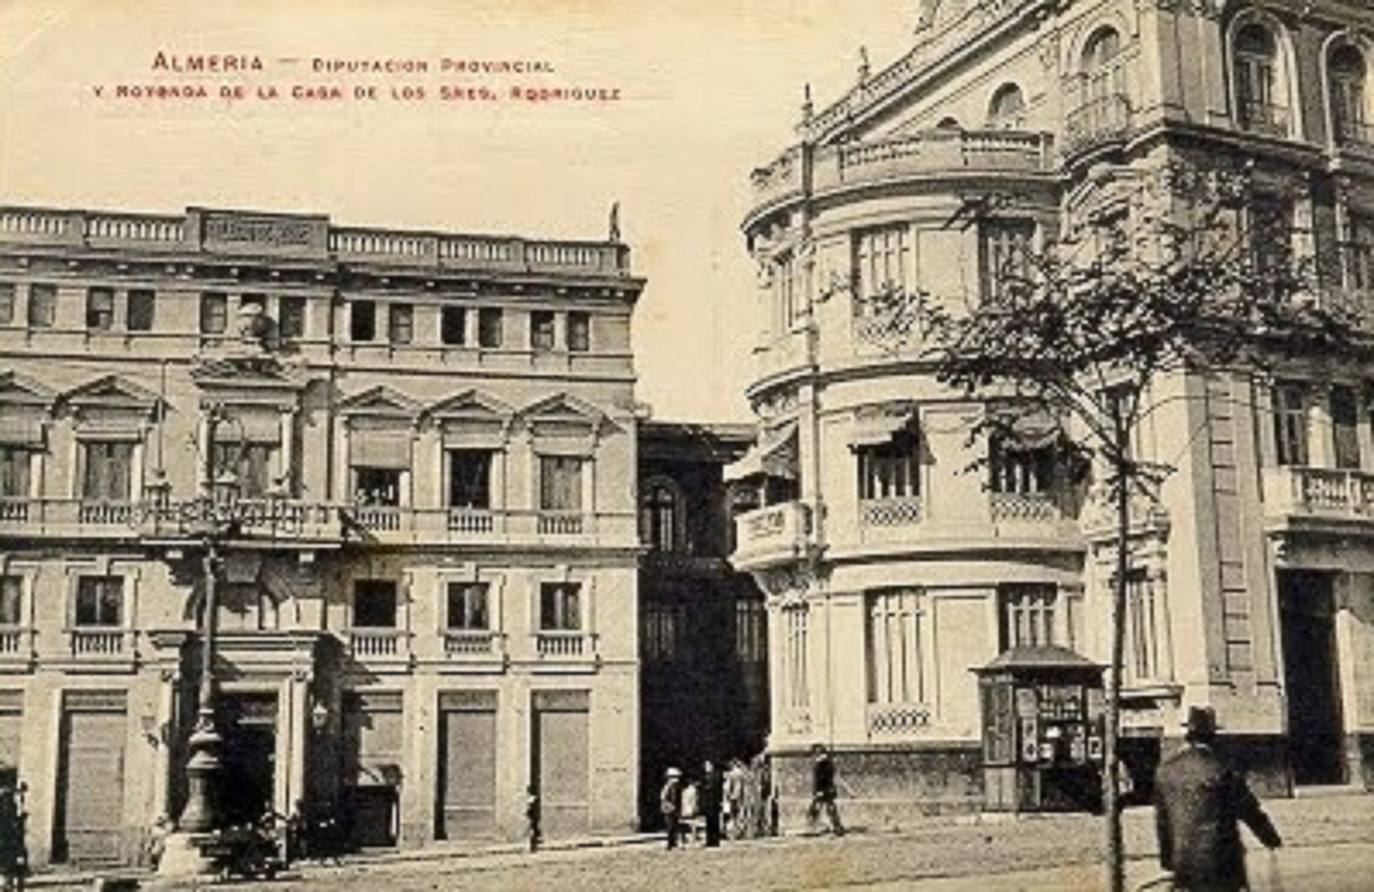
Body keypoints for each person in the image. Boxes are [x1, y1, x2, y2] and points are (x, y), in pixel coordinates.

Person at [1154, 706, 1282, 892]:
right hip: (1221, 863)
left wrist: (1168, 860)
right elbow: (1249, 809)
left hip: (1184, 862)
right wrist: (1269, 838)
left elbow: (1162, 821)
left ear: (1188, 735)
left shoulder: (1165, 771)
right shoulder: (1221, 768)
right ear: (1212, 737)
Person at [807, 744, 844, 836]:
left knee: (816, 809)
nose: (813, 756)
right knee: (829, 808)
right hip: (827, 789)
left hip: (824, 790)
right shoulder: (827, 763)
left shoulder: (822, 764)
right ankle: (836, 826)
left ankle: (814, 826)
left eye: (815, 753)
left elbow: (821, 779)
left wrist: (819, 791)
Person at [660, 767, 684, 850]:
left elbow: (673, 798)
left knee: (671, 825)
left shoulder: (673, 786)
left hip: (670, 808)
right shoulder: (671, 786)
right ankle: (673, 842)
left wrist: (672, 806)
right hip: (670, 807)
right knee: (672, 825)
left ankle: (671, 843)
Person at [701, 760, 724, 847]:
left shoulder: (716, 775)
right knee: (709, 822)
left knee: (714, 822)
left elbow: (716, 788)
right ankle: (709, 840)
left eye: (707, 765)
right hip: (708, 802)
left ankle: (715, 841)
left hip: (714, 802)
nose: (706, 767)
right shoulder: (706, 776)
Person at [724, 759, 747, 840]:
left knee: (732, 816)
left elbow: (728, 788)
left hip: (733, 797)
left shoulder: (732, 774)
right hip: (740, 796)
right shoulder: (742, 774)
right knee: (739, 815)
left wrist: (728, 796)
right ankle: (739, 831)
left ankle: (733, 833)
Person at [525, 784, 541, 853]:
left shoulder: (531, 799)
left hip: (533, 817)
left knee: (532, 831)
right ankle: (533, 847)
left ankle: (533, 847)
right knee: (532, 831)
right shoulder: (534, 798)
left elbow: (531, 808)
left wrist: (528, 813)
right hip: (533, 817)